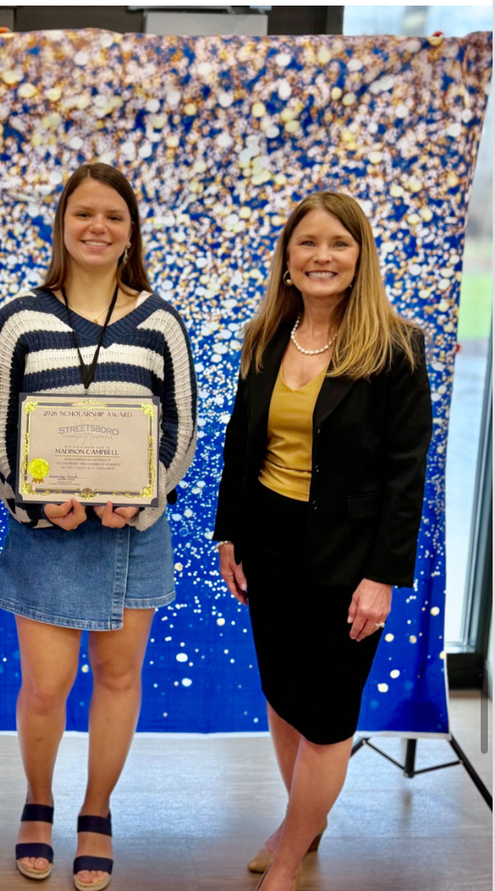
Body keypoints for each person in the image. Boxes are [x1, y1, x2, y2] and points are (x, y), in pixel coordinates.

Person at [0, 162, 196, 891]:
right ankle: (38, 800)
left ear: (131, 229)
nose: (97, 227)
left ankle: (96, 809)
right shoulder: (19, 319)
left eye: (113, 215)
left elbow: (182, 429)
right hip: (46, 533)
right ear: (62, 224)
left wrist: (141, 495)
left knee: (118, 675)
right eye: (83, 214)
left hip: (135, 532)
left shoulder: (160, 320)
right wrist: (38, 505)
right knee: (45, 686)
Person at [214, 191, 432, 891]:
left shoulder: (397, 345)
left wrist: (383, 577)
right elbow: (239, 445)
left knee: (329, 716)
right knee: (282, 696)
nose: (322, 256)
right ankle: (300, 823)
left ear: (360, 256)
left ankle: (288, 858)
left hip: (349, 559)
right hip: (268, 543)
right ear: (286, 259)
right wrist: (228, 534)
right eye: (307, 243)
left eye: (338, 243)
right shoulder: (265, 337)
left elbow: (406, 474)